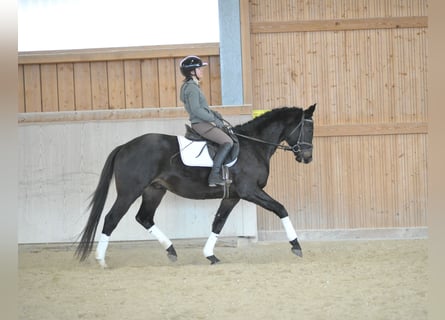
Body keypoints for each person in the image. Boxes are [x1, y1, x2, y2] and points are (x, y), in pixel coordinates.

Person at [179, 55, 233, 187]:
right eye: (199, 68)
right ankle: (214, 176)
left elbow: (200, 107)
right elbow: (196, 110)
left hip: (202, 122)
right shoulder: (191, 87)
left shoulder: (191, 86)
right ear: (192, 71)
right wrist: (213, 119)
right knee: (228, 141)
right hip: (201, 124)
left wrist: (214, 113)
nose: (202, 71)